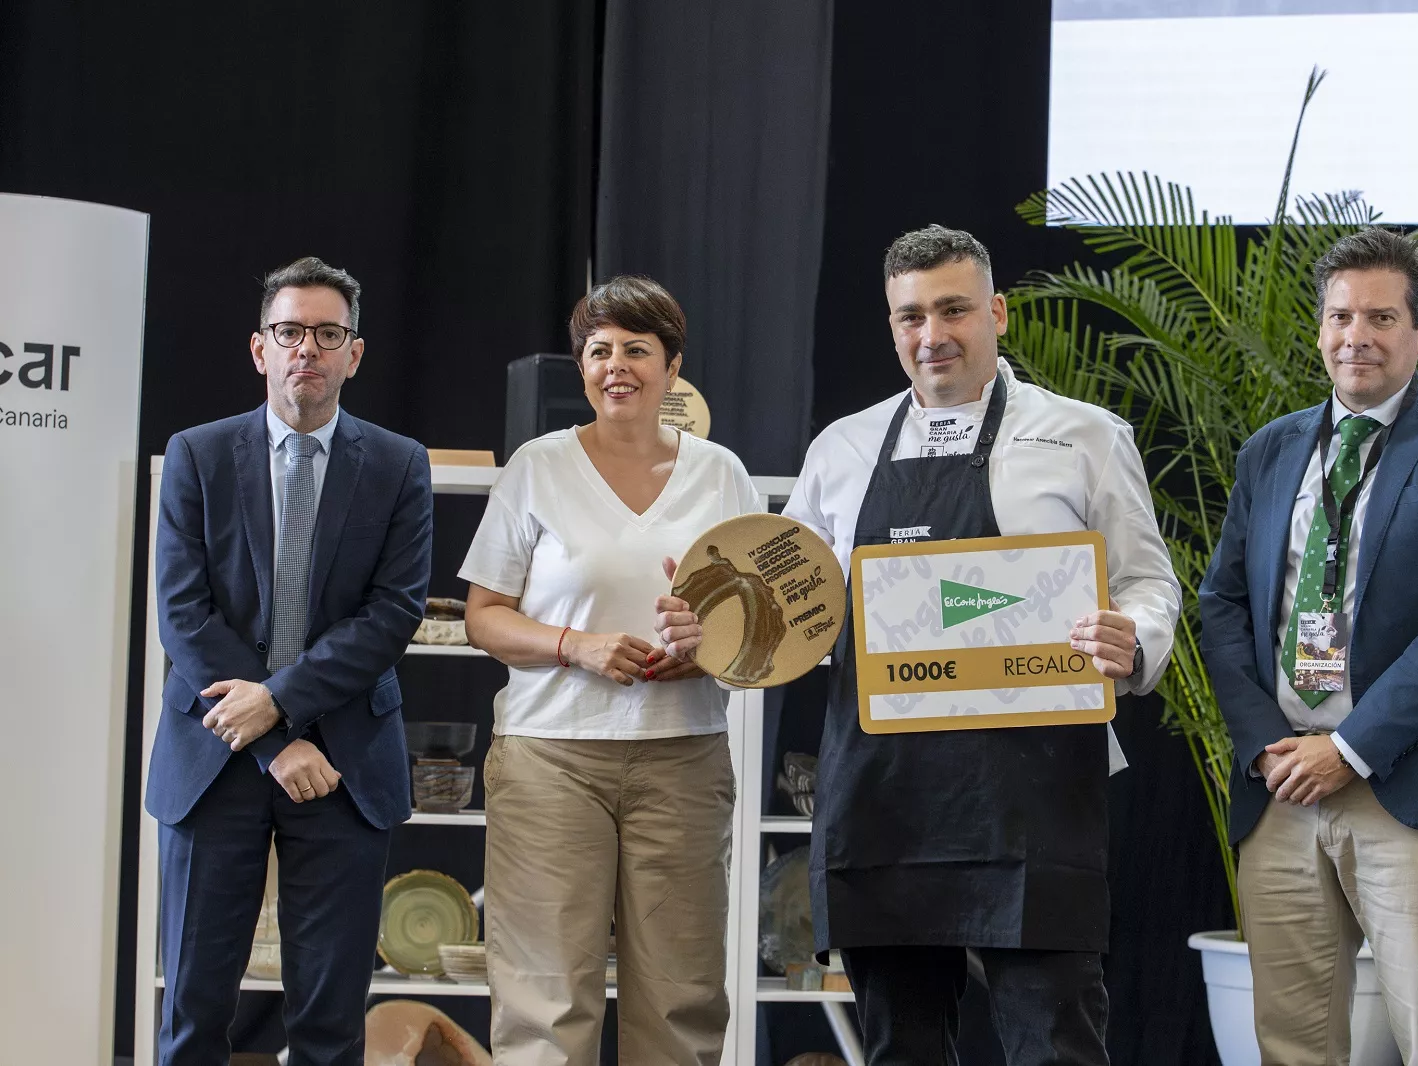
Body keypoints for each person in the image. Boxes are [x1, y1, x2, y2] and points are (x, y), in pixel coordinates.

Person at [657, 225, 1181, 1064]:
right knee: (900, 1044)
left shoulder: (1084, 435)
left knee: (1056, 1040)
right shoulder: (844, 446)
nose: (932, 335)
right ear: (892, 326)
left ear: (997, 314)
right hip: (884, 792)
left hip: (1033, 786)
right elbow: (792, 611)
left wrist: (1135, 635)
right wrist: (711, 620)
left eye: (953, 310)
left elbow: (1151, 583)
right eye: (910, 317)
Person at [1198, 227, 1418, 1064]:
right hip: (1282, 796)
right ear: (1319, 330)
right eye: (1341, 316)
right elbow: (1224, 605)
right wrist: (1267, 749)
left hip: (1412, 792)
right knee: (1294, 1047)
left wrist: (1349, 747)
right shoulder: (1270, 451)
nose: (1358, 336)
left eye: (1382, 317)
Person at [459, 275, 759, 1066]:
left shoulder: (721, 473)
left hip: (684, 759)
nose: (616, 365)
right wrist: (576, 646)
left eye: (636, 349)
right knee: (545, 999)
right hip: (550, 758)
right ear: (581, 367)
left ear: (672, 365)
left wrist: (703, 653)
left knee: (682, 998)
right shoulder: (538, 466)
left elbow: (756, 629)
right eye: (599, 350)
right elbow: (484, 615)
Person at [148, 257, 433, 1066]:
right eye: (289, 332)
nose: (306, 348)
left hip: (342, 765)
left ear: (354, 353)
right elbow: (183, 615)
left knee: (328, 1022)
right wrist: (275, 738)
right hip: (214, 754)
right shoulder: (197, 456)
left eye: (327, 333)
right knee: (196, 1016)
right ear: (258, 348)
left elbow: (392, 615)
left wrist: (278, 706)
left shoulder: (397, 464)